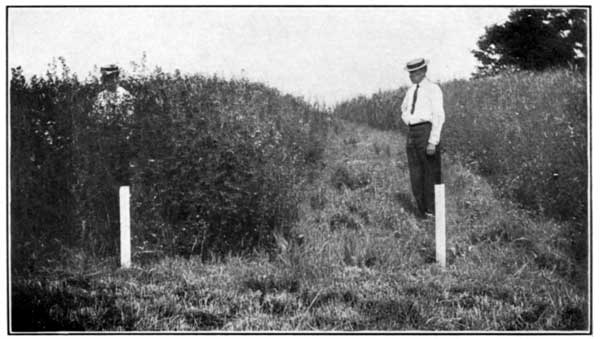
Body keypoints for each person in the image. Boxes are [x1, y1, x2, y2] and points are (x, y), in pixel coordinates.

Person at [84, 64, 136, 254]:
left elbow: (129, 124)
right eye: (106, 79)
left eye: (112, 78)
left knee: (121, 189)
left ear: (117, 78)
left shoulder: (126, 96)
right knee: (105, 192)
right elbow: (95, 121)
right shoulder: (100, 98)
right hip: (105, 149)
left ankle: (120, 242)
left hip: (120, 149)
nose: (109, 82)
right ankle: (106, 243)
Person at [400, 58, 445, 219]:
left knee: (430, 172)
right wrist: (409, 119)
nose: (411, 76)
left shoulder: (433, 89)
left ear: (423, 72)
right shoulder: (411, 91)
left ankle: (433, 211)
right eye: (410, 73)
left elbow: (439, 116)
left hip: (426, 131)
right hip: (412, 133)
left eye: (415, 73)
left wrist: (433, 141)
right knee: (415, 173)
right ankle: (421, 211)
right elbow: (404, 108)